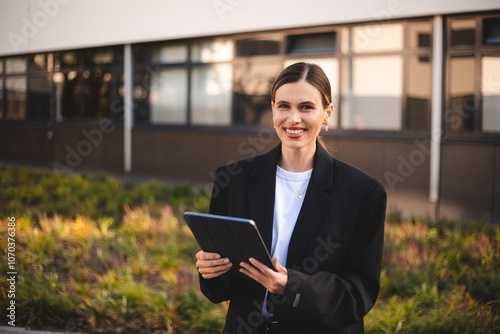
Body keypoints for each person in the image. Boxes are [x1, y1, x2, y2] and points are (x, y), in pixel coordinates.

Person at [195, 62, 386, 334]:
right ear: (273, 109)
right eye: (284, 106)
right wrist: (211, 269)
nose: (293, 118)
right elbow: (221, 288)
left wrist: (291, 286)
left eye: (306, 107)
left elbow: (358, 295)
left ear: (327, 113)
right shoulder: (233, 180)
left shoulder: (362, 192)